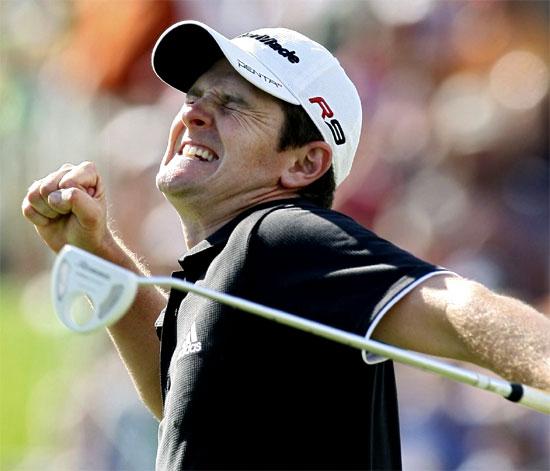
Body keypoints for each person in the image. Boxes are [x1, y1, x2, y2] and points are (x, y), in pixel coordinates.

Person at [22, 20, 549, 470]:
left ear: (304, 163)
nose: (193, 114)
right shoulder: (229, 263)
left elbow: (458, 305)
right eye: (194, 97)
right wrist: (98, 251)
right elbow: (181, 404)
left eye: (231, 104)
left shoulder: (278, 235)